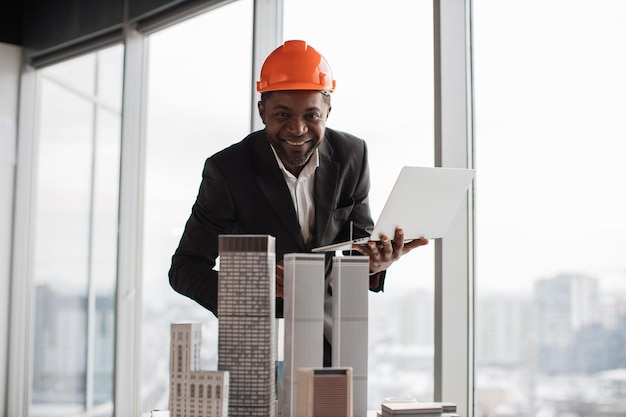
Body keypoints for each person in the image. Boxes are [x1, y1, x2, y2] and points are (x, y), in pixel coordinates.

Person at [169, 40, 428, 365]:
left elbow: (356, 246)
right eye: (282, 114)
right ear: (262, 111)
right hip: (256, 341)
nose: (297, 129)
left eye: (312, 115)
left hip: (330, 335)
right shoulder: (227, 170)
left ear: (328, 111)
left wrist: (375, 264)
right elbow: (185, 268)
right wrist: (251, 286)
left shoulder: (352, 156)